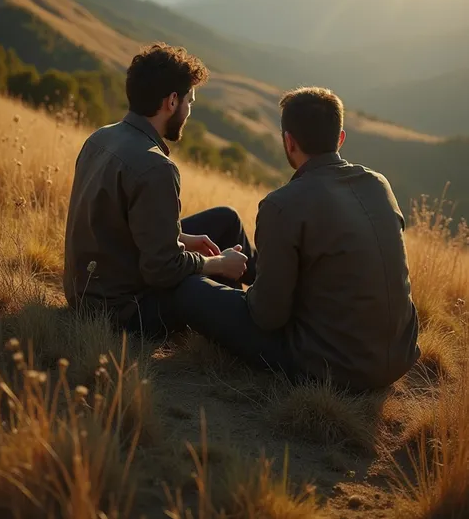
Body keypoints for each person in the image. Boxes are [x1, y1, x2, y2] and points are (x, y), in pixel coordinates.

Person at [171, 87, 420, 390]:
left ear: (289, 142)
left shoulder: (283, 204)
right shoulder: (378, 184)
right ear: (340, 138)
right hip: (399, 358)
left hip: (331, 367)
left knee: (189, 287)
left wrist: (223, 275)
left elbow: (268, 317)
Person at [63, 43, 253, 336]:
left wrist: (179, 237)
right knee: (202, 287)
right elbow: (162, 270)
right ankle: (261, 315)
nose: (189, 112)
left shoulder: (100, 137)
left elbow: (117, 224)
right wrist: (217, 264)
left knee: (224, 219)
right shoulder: (156, 167)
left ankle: (268, 286)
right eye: (190, 102)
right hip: (122, 313)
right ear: (172, 102)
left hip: (87, 291)